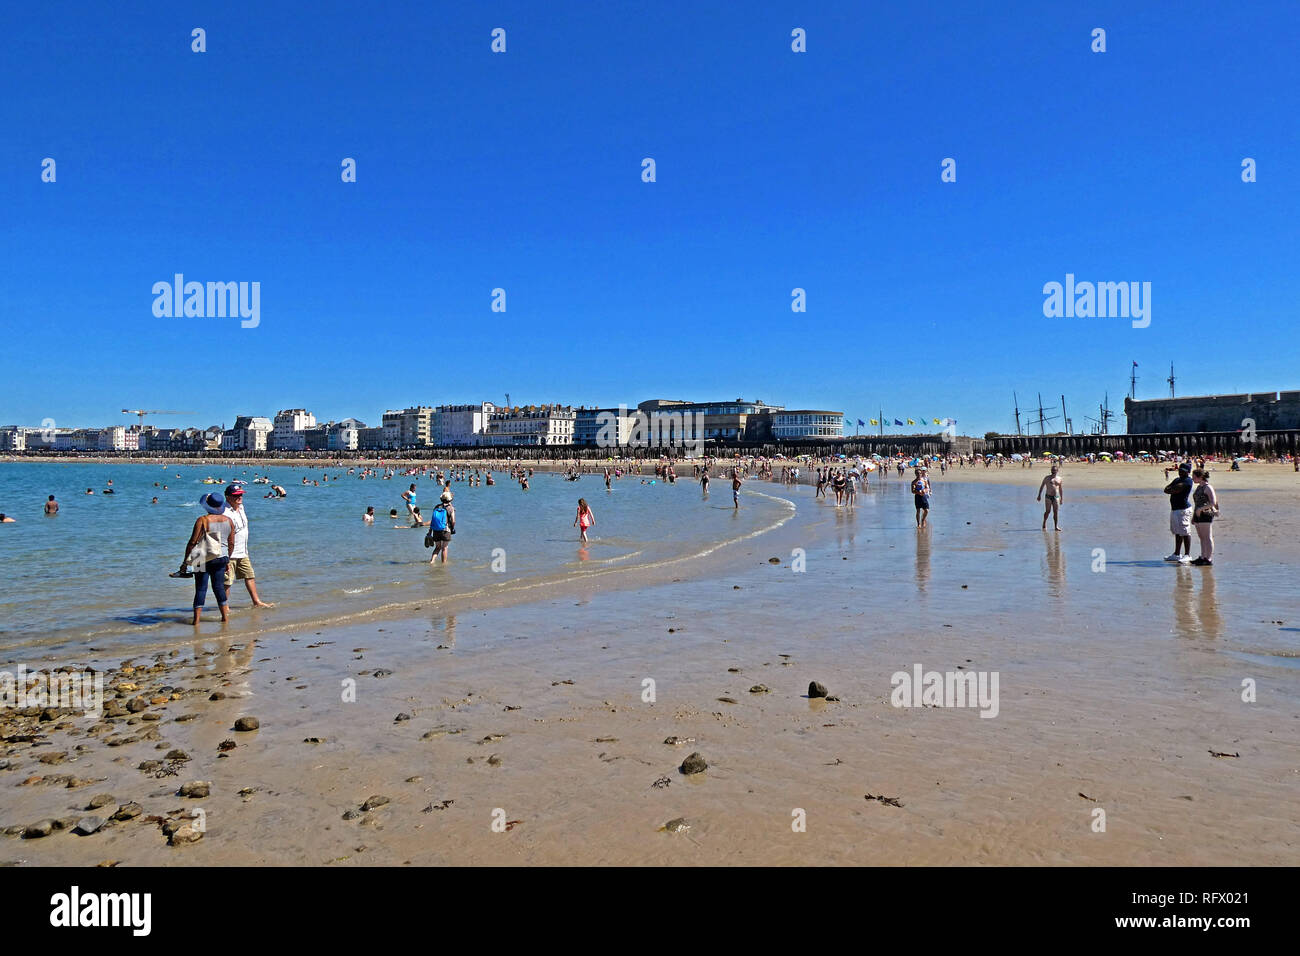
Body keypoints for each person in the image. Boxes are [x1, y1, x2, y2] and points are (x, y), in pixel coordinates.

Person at [181, 493, 236, 625]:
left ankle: (196, 621)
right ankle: (225, 618)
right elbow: (231, 543)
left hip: (200, 557)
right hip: (221, 557)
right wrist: (227, 559)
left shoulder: (202, 520)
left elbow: (192, 542)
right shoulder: (229, 521)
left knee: (200, 589)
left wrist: (185, 563)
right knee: (219, 588)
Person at [222, 485, 273, 607]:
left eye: (241, 494)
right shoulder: (224, 512)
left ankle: (257, 602)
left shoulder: (241, 507)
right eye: (236, 495)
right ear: (228, 497)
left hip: (243, 551)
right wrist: (224, 556)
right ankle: (224, 607)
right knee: (227, 582)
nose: (240, 497)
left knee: (250, 576)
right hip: (230, 553)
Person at [1163, 462, 1194, 563]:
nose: (1180, 472)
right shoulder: (1177, 480)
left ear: (1187, 472)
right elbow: (1166, 489)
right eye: (1180, 470)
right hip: (1175, 509)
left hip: (1183, 509)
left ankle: (1187, 555)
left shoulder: (1188, 481)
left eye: (1183, 471)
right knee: (1177, 532)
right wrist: (1172, 489)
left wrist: (1172, 489)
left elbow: (1175, 489)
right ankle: (1176, 554)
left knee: (1185, 532)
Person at [1191, 469, 1218, 566]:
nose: (1192, 478)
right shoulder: (1199, 487)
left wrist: (1201, 509)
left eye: (1194, 477)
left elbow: (1213, 503)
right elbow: (1197, 502)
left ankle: (1208, 558)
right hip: (1198, 514)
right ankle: (1202, 557)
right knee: (1201, 537)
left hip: (1206, 514)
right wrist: (1194, 515)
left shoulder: (1208, 487)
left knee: (1207, 537)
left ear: (1200, 477)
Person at [426, 491, 456, 563]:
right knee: (444, 548)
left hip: (436, 530)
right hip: (446, 530)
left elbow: (433, 520)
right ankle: (443, 564)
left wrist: (430, 531)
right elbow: (453, 521)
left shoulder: (436, 507)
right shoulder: (451, 508)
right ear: (450, 500)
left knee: (438, 547)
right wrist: (452, 528)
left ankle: (432, 561)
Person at [1037, 464, 1063, 531]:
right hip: (1048, 497)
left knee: (1056, 512)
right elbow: (1042, 486)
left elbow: (1060, 489)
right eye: (1052, 470)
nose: (1053, 471)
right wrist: (1039, 495)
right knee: (1048, 511)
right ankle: (1044, 522)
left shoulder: (1059, 479)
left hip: (1056, 497)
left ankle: (1056, 526)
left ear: (1057, 471)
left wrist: (1061, 498)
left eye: (1054, 470)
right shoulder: (1047, 478)